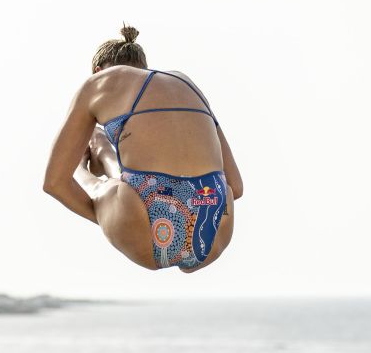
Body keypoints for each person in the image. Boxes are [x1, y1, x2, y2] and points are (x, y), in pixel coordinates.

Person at [44, 25, 243, 273]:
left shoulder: (98, 83)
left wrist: (104, 210)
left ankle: (92, 162)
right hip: (212, 233)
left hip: (143, 227)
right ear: (144, 68)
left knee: (103, 185)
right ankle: (105, 154)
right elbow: (236, 187)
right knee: (135, 181)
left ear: (97, 71)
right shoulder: (186, 83)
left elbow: (53, 183)